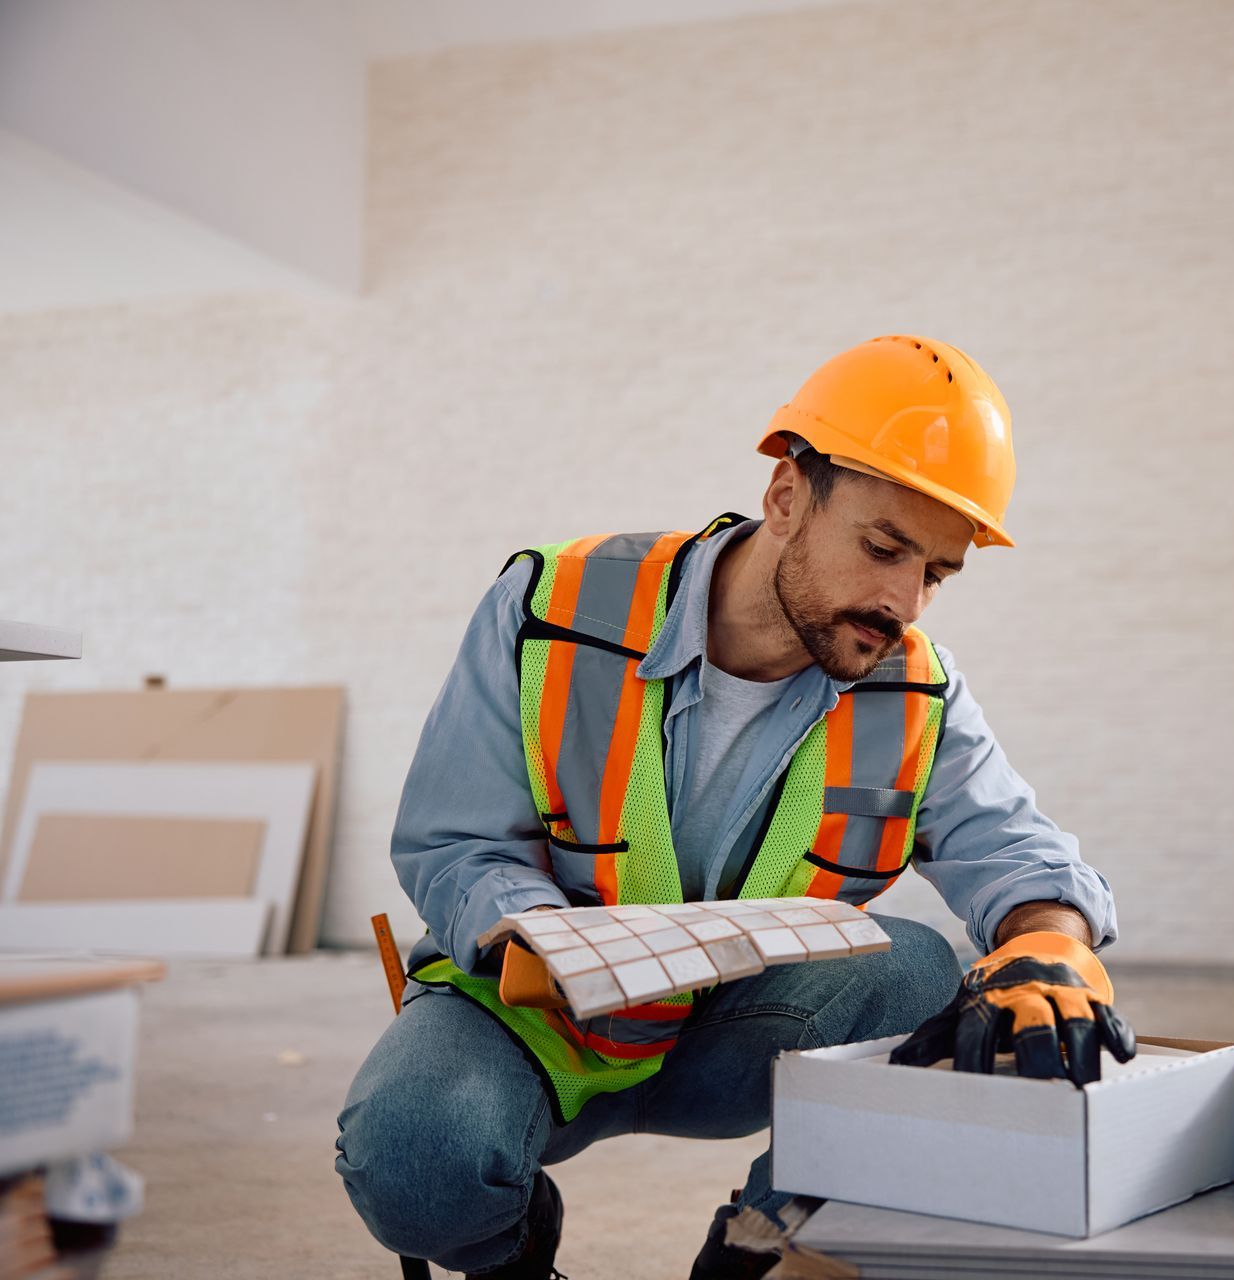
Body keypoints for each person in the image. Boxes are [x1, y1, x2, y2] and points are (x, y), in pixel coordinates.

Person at [333, 335, 1134, 1279]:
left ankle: (761, 1241)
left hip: (735, 1034)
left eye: (937, 574)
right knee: (414, 1165)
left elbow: (1007, 845)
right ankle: (512, 1254)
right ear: (788, 494)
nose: (904, 601)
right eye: (884, 548)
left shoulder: (913, 685)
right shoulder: (554, 605)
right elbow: (454, 838)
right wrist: (537, 938)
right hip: (532, 1017)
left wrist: (1052, 939)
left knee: (918, 970)